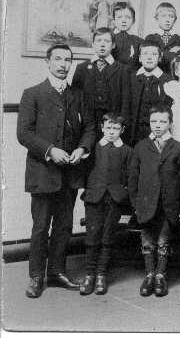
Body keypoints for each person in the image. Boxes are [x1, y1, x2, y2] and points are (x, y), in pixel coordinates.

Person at [17, 43, 95, 298]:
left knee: (64, 226)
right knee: (41, 227)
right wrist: (51, 150)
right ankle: (37, 276)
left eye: (68, 60)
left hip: (70, 174)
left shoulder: (78, 95)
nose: (63, 64)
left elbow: (90, 129)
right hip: (42, 173)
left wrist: (81, 150)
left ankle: (57, 272)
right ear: (47, 62)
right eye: (58, 59)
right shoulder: (33, 94)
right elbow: (24, 133)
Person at [128, 105, 180, 297]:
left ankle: (161, 275)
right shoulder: (141, 147)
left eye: (163, 121)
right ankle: (149, 274)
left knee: (164, 241)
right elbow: (133, 178)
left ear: (170, 123)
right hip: (146, 205)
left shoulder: (178, 148)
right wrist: (136, 203)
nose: (158, 125)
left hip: (168, 204)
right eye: (154, 121)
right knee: (147, 241)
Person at [79, 113, 132, 296]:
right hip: (94, 197)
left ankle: (101, 274)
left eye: (116, 128)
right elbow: (84, 171)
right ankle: (89, 275)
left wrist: (122, 192)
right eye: (108, 128)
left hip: (115, 198)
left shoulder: (126, 151)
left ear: (122, 130)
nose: (111, 132)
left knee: (107, 236)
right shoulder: (93, 148)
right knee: (92, 235)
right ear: (102, 128)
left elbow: (130, 176)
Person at [72, 27, 131, 139]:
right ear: (93, 44)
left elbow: (126, 101)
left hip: (113, 125)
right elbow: (75, 98)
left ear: (113, 45)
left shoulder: (123, 70)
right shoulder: (82, 68)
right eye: (99, 41)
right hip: (87, 125)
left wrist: (121, 124)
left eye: (107, 41)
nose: (102, 45)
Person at [123, 41, 173, 146]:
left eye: (154, 54)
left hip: (158, 135)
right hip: (133, 135)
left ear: (160, 58)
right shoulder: (131, 78)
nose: (149, 57)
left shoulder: (167, 80)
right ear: (140, 58)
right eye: (145, 54)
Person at [144, 2, 180, 74]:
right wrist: (171, 53)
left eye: (171, 16)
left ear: (175, 20)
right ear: (156, 19)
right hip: (155, 76)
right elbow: (150, 59)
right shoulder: (150, 38)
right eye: (163, 16)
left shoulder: (179, 39)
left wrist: (160, 54)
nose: (167, 20)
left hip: (173, 77)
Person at [111, 2, 143, 70]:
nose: (123, 21)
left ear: (133, 21)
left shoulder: (139, 42)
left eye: (128, 17)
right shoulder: (109, 39)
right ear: (113, 20)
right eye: (119, 17)